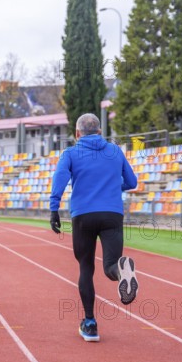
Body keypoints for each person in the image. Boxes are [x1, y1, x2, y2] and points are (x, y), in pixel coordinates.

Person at [50, 113, 138, 342]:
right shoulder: (115, 151)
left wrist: (54, 209)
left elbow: (59, 180)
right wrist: (111, 185)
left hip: (83, 215)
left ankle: (90, 323)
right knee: (110, 265)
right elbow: (132, 182)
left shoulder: (70, 153)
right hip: (112, 214)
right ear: (100, 132)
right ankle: (122, 273)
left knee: (86, 268)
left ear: (77, 134)